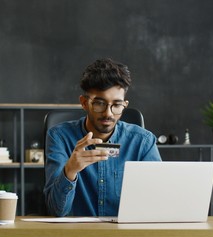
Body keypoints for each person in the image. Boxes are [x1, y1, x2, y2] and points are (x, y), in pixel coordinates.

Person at [44, 58, 162, 217]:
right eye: (100, 103)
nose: (108, 113)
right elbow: (56, 211)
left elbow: (158, 202)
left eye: (117, 104)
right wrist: (70, 170)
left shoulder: (143, 142)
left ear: (124, 104)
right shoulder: (59, 137)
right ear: (84, 103)